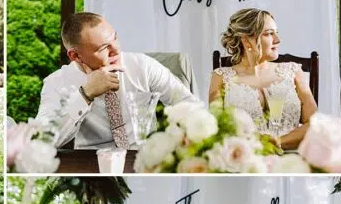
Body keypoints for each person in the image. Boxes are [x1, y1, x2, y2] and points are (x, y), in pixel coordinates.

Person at [36, 12, 198, 149]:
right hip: (94, 170)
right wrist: (85, 95)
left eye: (115, 38)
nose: (116, 49)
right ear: (75, 56)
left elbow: (190, 105)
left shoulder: (143, 65)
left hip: (146, 159)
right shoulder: (56, 83)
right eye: (104, 48)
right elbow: (43, 142)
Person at [210, 9, 317, 149]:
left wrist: (278, 142)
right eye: (269, 34)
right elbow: (217, 129)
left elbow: (315, 123)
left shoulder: (294, 71)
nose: (277, 40)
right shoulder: (221, 77)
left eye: (276, 33)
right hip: (246, 161)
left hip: (292, 161)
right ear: (247, 41)